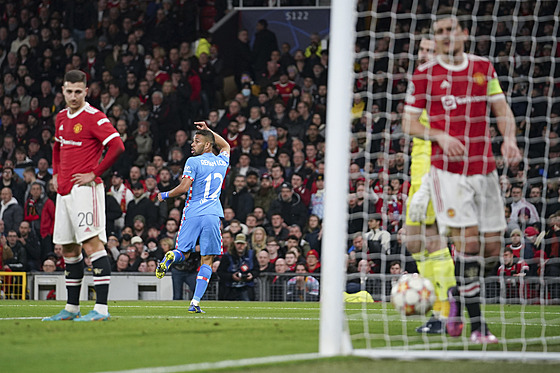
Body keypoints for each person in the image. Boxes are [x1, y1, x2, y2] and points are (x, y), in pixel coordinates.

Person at [403, 8, 522, 343]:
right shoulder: (425, 75)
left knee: (492, 249)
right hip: (447, 172)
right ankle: (478, 325)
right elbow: (408, 122)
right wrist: (439, 136)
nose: (445, 35)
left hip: (484, 169)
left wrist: (509, 140)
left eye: (450, 29)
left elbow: (501, 110)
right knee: (466, 242)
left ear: (463, 33)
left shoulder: (483, 68)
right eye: (439, 30)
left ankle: (458, 294)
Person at [43, 70, 124, 322]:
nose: (73, 96)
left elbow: (117, 145)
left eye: (78, 91)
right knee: (68, 248)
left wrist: (94, 172)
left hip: (85, 190)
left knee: (91, 244)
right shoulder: (60, 117)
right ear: (63, 91)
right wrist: (55, 174)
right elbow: (57, 147)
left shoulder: (94, 117)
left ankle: (101, 309)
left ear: (86, 91)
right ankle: (71, 307)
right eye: (69, 91)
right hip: (64, 190)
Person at [403, 37, 456, 335]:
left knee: (433, 239)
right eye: (421, 49)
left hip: (433, 172)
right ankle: (439, 304)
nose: (422, 54)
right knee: (413, 241)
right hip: (417, 171)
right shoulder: (421, 83)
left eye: (429, 49)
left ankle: (445, 310)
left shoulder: (443, 84)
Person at [156, 120, 230, 314]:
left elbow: (183, 188)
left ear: (206, 145)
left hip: (193, 212)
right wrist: (209, 131)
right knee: (207, 260)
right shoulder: (222, 161)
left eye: (196, 141)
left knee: (184, 252)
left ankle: (171, 255)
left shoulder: (193, 162)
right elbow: (226, 145)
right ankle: (195, 302)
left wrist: (165, 195)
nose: (192, 144)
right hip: (212, 214)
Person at [217, 233, 259, 301]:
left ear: (246, 244)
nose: (240, 246)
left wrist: (252, 275)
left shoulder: (251, 255)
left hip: (246, 287)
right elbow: (220, 272)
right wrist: (231, 276)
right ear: (234, 244)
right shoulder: (227, 256)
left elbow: (257, 269)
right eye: (238, 244)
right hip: (230, 288)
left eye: (242, 244)